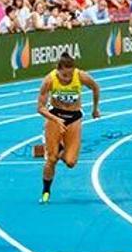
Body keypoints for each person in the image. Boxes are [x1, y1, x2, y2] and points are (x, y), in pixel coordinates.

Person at [37, 52, 101, 203]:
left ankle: (61, 149)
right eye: (64, 75)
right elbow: (40, 108)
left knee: (71, 162)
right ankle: (46, 191)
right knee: (51, 159)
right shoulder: (49, 80)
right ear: (58, 70)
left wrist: (95, 108)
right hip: (55, 116)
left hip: (74, 118)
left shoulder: (81, 76)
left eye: (70, 75)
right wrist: (55, 119)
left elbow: (95, 87)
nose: (67, 78)